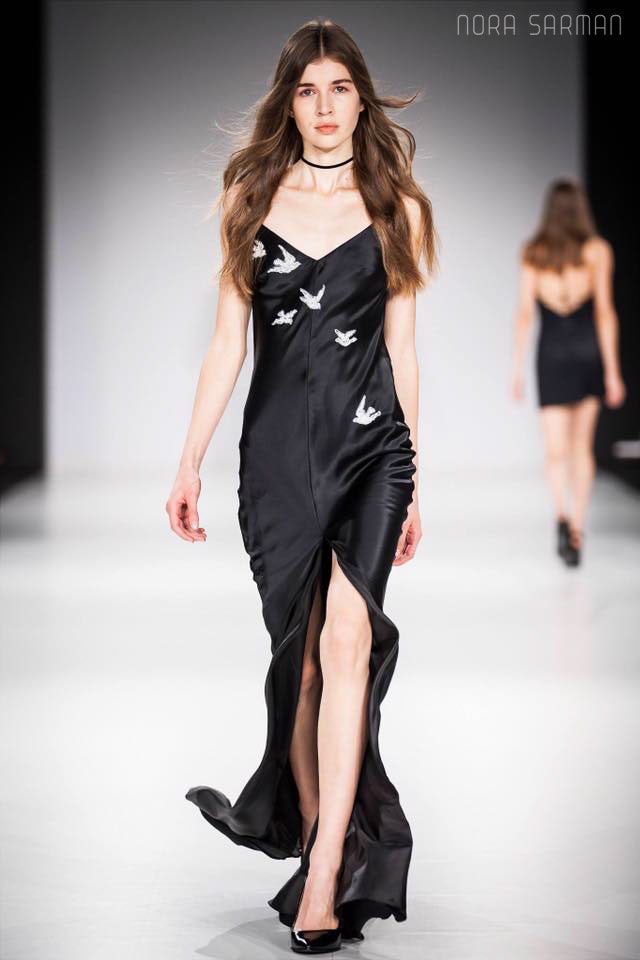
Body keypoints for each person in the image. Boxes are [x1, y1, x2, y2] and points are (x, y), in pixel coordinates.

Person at [165, 18, 438, 954]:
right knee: (305, 665)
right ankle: (330, 839)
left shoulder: (397, 207)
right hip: (277, 460)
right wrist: (190, 458)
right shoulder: (249, 196)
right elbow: (226, 345)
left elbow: (404, 351)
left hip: (372, 454)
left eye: (339, 88)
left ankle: (323, 876)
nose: (324, 107)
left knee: (349, 639)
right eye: (307, 90)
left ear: (362, 99)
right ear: (290, 103)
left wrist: (415, 477)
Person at [511, 178, 625, 567]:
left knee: (555, 449)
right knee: (582, 448)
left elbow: (525, 314)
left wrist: (517, 370)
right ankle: (577, 526)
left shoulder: (534, 252)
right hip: (588, 354)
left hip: (552, 356)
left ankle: (560, 513)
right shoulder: (597, 251)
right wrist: (613, 372)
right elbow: (605, 312)